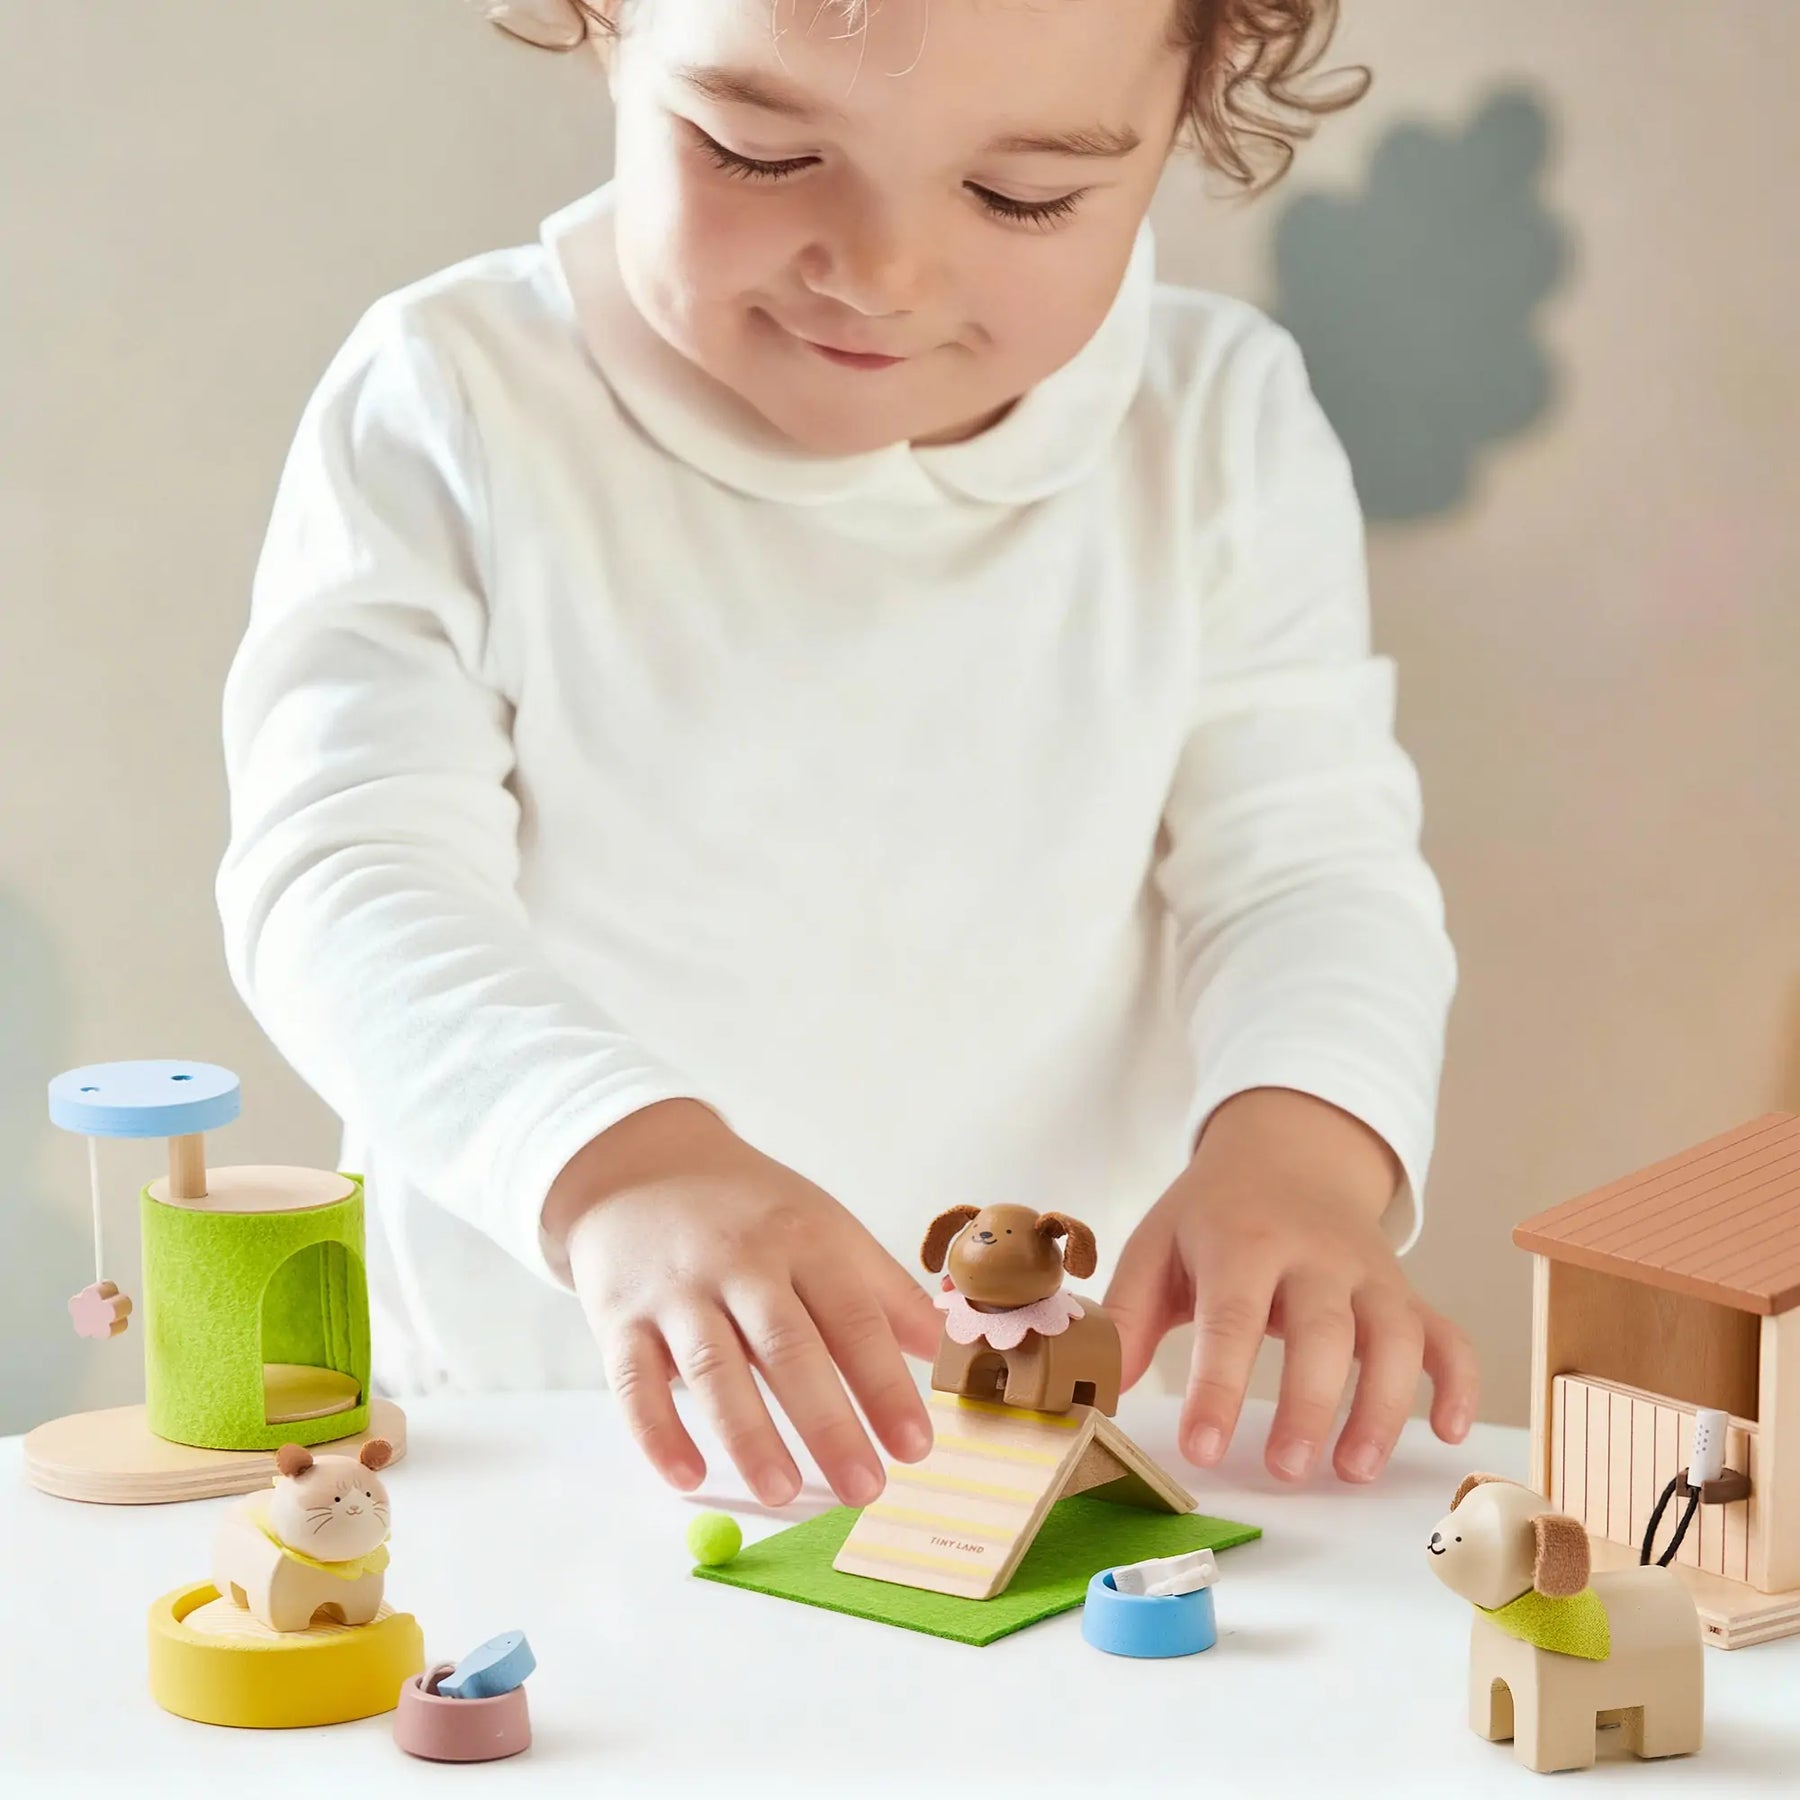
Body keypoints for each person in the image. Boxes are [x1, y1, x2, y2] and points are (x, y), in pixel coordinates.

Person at [217, 0, 1478, 1515]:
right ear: (604, 26)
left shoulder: (1219, 423)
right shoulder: (454, 399)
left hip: (1052, 1437)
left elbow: (1308, 868)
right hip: (574, 1425)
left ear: (1191, 104)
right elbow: (344, 874)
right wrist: (625, 1167)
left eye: (1024, 196)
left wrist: (1307, 1152)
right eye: (762, 151)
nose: (880, 273)